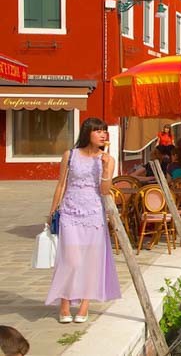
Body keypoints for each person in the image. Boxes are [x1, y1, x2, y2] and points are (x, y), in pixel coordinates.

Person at [46, 118, 121, 323]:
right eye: (98, 131)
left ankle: (84, 306)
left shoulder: (108, 159)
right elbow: (61, 185)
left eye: (105, 131)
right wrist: (52, 211)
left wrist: (106, 170)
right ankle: (64, 302)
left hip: (94, 213)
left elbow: (105, 191)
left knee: (90, 261)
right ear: (88, 133)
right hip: (70, 212)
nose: (103, 135)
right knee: (70, 259)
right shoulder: (70, 155)